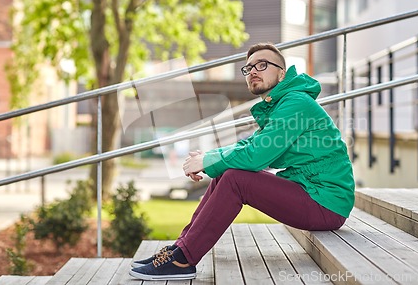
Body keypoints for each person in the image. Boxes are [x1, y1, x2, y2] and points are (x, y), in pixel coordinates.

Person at [129, 42, 355, 281]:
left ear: (282, 72)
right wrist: (208, 159)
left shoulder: (296, 104)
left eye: (262, 65)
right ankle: (180, 249)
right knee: (226, 175)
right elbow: (248, 146)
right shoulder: (282, 105)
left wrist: (208, 160)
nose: (253, 71)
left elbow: (257, 155)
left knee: (236, 179)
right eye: (248, 69)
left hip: (326, 203)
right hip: (312, 193)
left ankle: (183, 259)